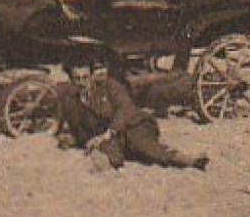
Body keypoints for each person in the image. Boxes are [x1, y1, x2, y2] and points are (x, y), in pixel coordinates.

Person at [54, 57, 207, 171]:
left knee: (144, 146)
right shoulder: (70, 99)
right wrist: (73, 139)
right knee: (108, 152)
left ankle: (187, 160)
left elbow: (125, 109)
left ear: (92, 76)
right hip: (111, 137)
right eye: (77, 79)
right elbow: (77, 127)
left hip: (134, 125)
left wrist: (108, 133)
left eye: (85, 77)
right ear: (71, 80)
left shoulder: (109, 85)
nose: (82, 82)